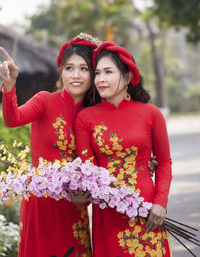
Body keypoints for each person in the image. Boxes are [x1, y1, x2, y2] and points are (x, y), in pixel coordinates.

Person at [0, 33, 101, 257]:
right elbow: (13, 119)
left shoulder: (95, 113)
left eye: (84, 69)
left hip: (74, 206)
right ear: (61, 71)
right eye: (69, 68)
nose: (76, 75)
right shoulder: (45, 100)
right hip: (41, 205)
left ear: (93, 74)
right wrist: (9, 86)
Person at [74, 41, 173, 256]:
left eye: (108, 72)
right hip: (108, 215)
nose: (100, 79)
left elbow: (164, 162)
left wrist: (161, 204)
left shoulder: (151, 114)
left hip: (148, 213)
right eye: (97, 73)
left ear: (127, 77)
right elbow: (87, 170)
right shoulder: (85, 118)